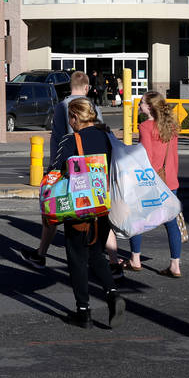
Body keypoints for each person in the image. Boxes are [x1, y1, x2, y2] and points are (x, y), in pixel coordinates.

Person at [20, 71, 118, 270]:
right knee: (100, 212)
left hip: (69, 167)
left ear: (70, 85)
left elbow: (68, 138)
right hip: (94, 168)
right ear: (87, 87)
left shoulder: (63, 107)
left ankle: (42, 254)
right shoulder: (93, 107)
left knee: (53, 211)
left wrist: (53, 171)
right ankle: (114, 263)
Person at [61, 98, 126, 329]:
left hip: (80, 208)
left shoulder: (71, 140)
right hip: (103, 206)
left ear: (76, 117)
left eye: (70, 117)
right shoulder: (107, 136)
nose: (70, 122)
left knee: (77, 258)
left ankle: (83, 311)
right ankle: (112, 295)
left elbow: (57, 170)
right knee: (97, 254)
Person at [126, 91, 183, 277]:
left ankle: (135, 259)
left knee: (137, 218)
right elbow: (174, 157)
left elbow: (146, 159)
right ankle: (175, 265)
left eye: (142, 102)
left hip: (151, 182)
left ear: (150, 107)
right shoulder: (172, 126)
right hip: (170, 181)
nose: (139, 105)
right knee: (172, 223)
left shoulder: (145, 126)